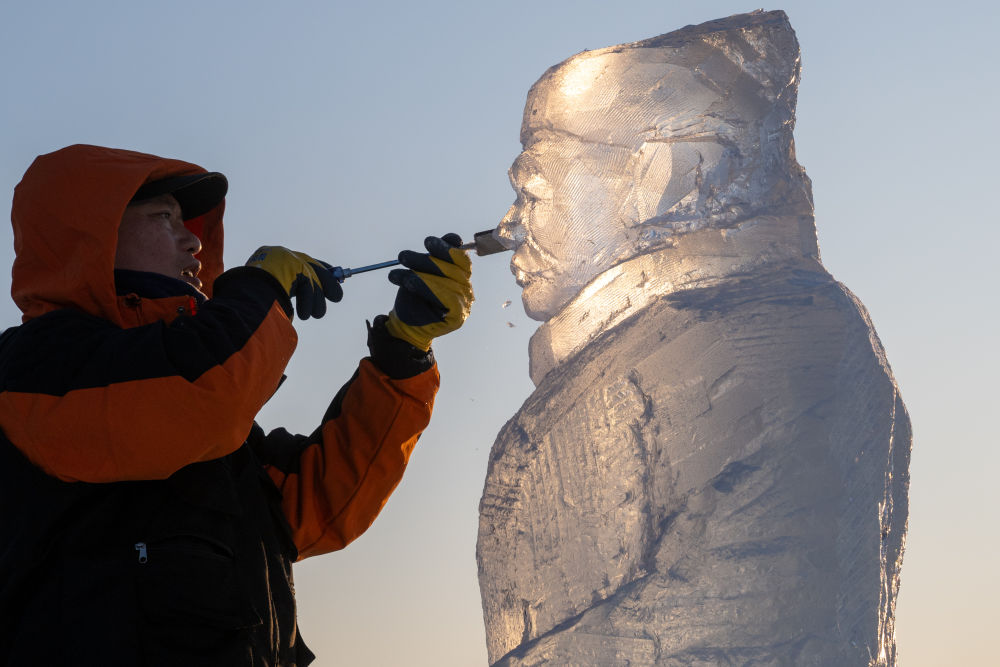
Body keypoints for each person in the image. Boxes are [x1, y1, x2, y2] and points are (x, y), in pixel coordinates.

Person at [477, 11, 910, 665]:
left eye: (535, 189)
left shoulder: (774, 340)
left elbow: (745, 625)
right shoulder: (650, 347)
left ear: (669, 175)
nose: (510, 226)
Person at [0, 143, 474, 666]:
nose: (193, 242)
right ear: (91, 238)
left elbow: (319, 503)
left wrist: (403, 353)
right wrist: (260, 286)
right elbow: (204, 394)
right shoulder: (38, 366)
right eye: (164, 218)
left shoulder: (200, 416)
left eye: (191, 224)